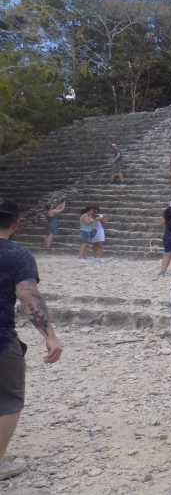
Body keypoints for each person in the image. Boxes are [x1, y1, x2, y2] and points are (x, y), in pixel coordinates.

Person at [0, 197, 62, 481]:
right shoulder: (18, 256)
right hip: (1, 339)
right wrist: (50, 336)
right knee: (9, 399)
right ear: (16, 224)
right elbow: (28, 297)